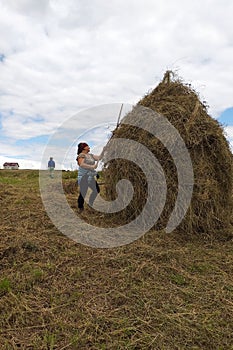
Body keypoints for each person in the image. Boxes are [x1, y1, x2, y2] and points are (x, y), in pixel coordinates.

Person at [76, 142, 103, 212]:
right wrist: (92, 166)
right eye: (87, 146)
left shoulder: (90, 155)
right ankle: (80, 207)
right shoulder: (81, 155)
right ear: (84, 147)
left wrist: (104, 151)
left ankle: (90, 204)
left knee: (96, 190)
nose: (89, 147)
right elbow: (81, 164)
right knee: (83, 193)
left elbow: (99, 158)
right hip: (84, 177)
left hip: (90, 176)